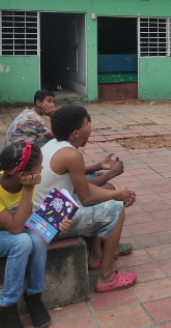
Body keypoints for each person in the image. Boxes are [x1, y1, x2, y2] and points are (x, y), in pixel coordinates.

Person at [0, 141, 73, 328]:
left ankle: (34, 296)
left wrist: (58, 223)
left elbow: (30, 223)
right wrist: (29, 190)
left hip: (8, 232)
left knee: (36, 238)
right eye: (40, 164)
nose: (42, 168)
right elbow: (16, 228)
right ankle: (7, 307)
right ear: (22, 175)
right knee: (22, 242)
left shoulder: (22, 182)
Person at [34, 105, 137, 292]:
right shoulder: (72, 154)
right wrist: (118, 196)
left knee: (105, 188)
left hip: (49, 208)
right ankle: (106, 278)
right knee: (116, 208)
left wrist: (106, 181)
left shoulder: (54, 145)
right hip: (48, 220)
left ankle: (96, 254)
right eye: (87, 123)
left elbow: (79, 179)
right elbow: (87, 197)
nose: (90, 126)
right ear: (75, 133)